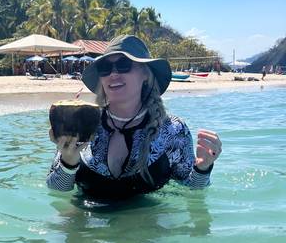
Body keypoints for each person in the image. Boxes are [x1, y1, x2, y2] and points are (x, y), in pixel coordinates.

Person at [47, 35, 222, 200]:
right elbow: (56, 189)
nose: (113, 74)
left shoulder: (173, 130)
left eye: (124, 65)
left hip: (145, 227)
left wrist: (203, 167)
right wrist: (68, 163)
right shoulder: (83, 121)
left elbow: (193, 189)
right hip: (86, 226)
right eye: (105, 68)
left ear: (145, 74)